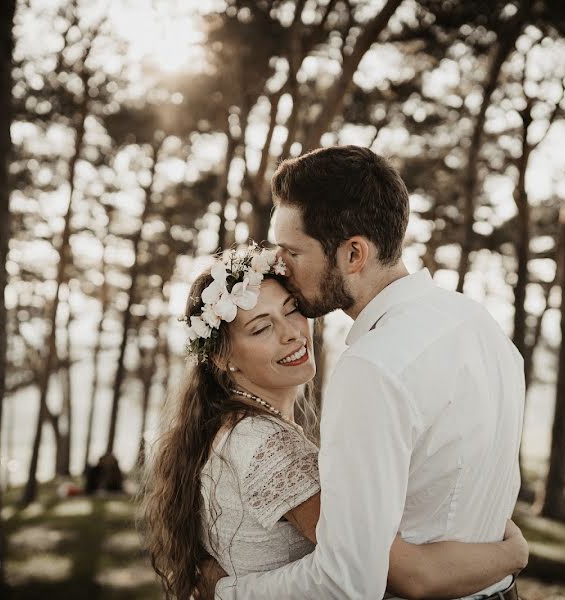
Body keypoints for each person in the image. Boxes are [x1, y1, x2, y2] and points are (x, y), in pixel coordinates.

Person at [200, 146, 527, 599]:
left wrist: (225, 592)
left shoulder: (373, 368)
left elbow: (346, 581)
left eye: (293, 250)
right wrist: (512, 555)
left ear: (354, 253)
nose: (281, 265)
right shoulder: (480, 326)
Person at [138, 245, 527, 600]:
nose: (291, 333)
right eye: (261, 327)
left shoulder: (235, 427)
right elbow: (400, 572)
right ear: (223, 359)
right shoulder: (269, 446)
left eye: (291, 309)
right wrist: (511, 554)